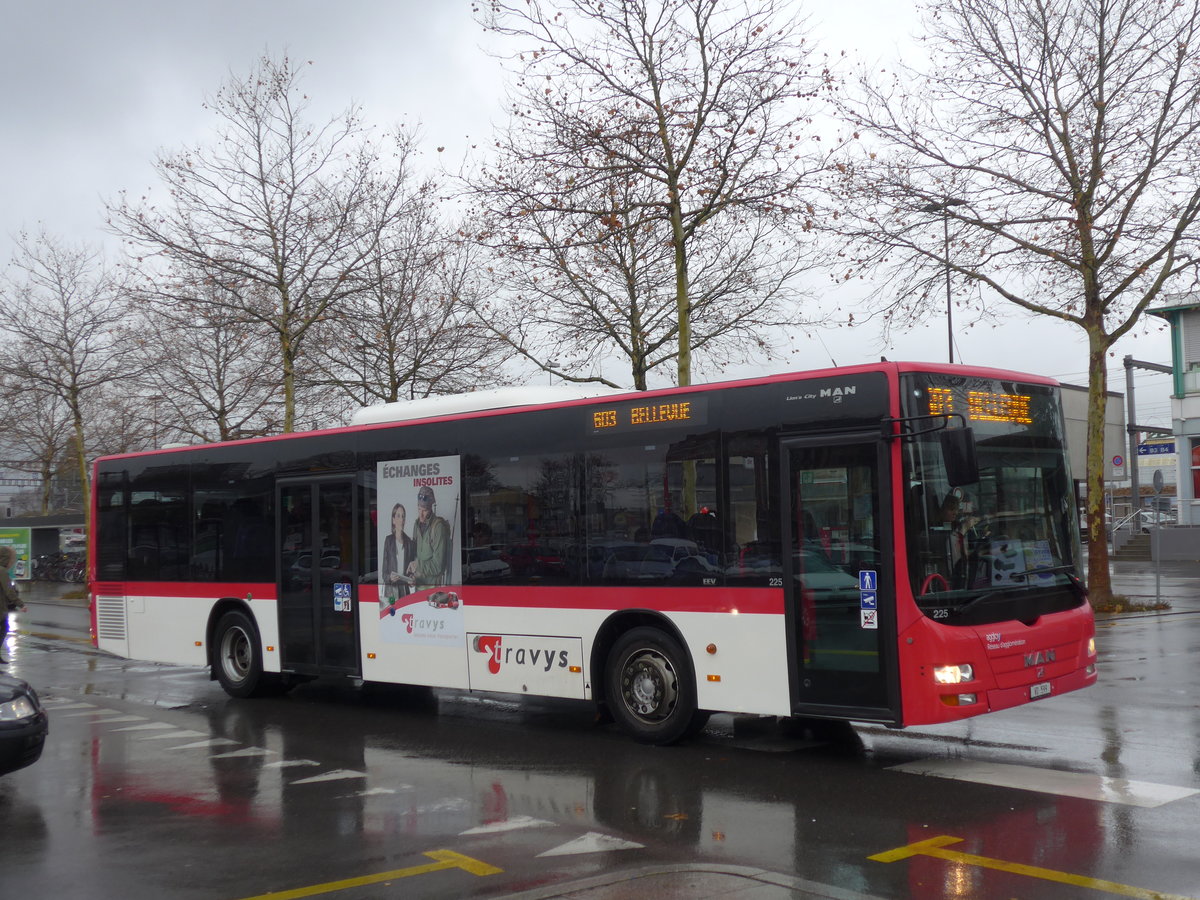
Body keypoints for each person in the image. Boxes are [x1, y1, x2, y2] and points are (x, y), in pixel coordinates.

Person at [407, 485, 451, 590]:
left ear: (431, 507)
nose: (421, 515)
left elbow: (438, 566)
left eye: (425, 510)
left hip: (433, 589)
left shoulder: (438, 527)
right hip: (419, 586)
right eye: (419, 509)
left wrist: (418, 565)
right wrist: (412, 576)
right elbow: (416, 556)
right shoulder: (416, 525)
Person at [381, 503, 415, 609]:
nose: (401, 519)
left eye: (403, 516)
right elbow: (384, 573)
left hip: (404, 590)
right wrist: (390, 578)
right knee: (390, 616)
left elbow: (411, 572)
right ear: (393, 520)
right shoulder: (388, 541)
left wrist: (412, 579)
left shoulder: (409, 543)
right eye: (398, 516)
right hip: (391, 591)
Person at [0, 546, 27, 665]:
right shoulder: (2, 571)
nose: (12, 561)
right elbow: (9, 591)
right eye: (12, 558)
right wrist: (20, 604)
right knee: (4, 627)